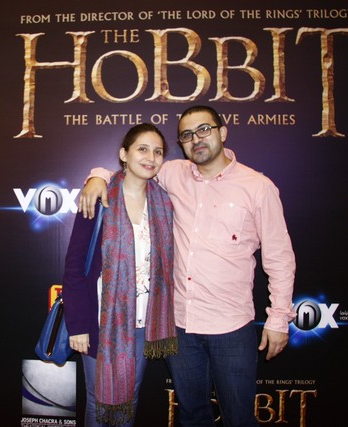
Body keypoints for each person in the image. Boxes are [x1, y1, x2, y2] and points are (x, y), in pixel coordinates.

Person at [78, 105, 296, 427]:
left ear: (222, 133)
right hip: (179, 326)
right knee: (192, 416)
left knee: (239, 418)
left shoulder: (257, 186)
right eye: (187, 135)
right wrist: (97, 176)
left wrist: (278, 318)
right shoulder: (172, 173)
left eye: (204, 129)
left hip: (232, 327)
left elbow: (279, 256)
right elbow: (131, 171)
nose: (197, 139)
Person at [63, 123, 178, 427]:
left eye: (158, 152)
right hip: (101, 322)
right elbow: (75, 267)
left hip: (143, 324)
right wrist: (78, 325)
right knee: (97, 403)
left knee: (130, 400)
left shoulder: (164, 203)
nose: (151, 157)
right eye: (143, 149)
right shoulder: (98, 198)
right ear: (124, 154)